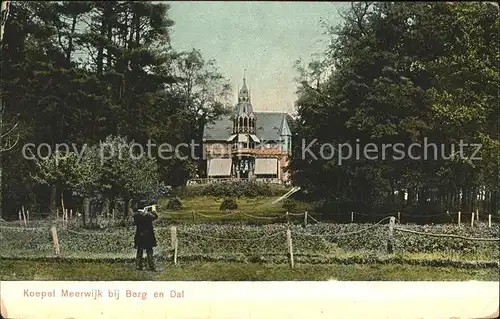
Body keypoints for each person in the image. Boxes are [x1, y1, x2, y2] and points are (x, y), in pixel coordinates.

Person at [133, 204, 161, 271]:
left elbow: (136, 217)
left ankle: (138, 266)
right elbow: (156, 216)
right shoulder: (148, 216)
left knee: (139, 251)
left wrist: (145, 212)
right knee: (149, 252)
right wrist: (153, 210)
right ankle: (151, 266)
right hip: (148, 236)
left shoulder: (136, 216)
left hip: (139, 235)